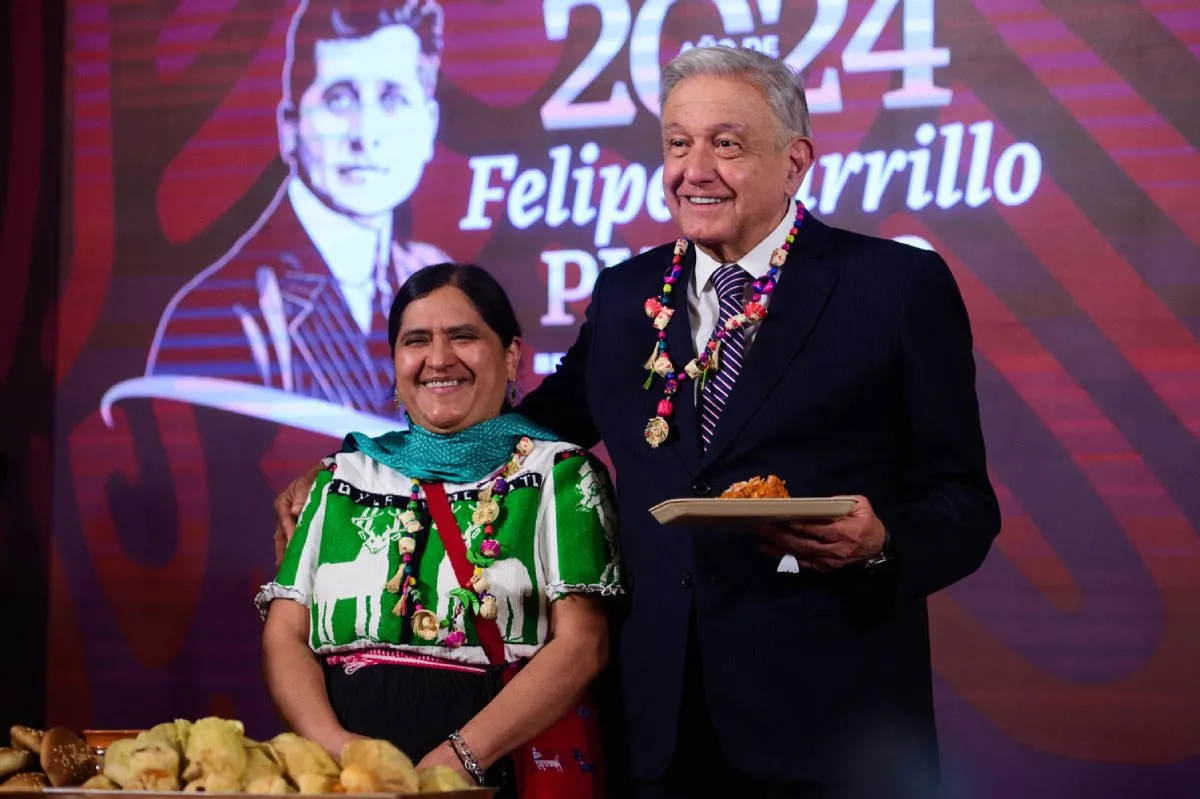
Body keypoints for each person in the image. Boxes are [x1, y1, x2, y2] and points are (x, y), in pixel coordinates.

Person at [274, 46, 1000, 798]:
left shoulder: (893, 287)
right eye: (678, 144)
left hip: (837, 727)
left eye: (726, 144)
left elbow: (963, 504)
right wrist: (360, 468)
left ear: (795, 162)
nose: (694, 170)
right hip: (659, 726)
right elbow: (529, 427)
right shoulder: (627, 294)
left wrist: (881, 546)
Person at [257, 263, 621, 795]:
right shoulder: (340, 477)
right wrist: (343, 754)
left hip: (496, 769)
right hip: (350, 780)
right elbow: (285, 636)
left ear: (511, 355)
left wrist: (458, 761)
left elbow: (584, 644)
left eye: (463, 336)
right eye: (416, 340)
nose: (439, 358)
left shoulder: (560, 474)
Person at [146, 0, 450, 416]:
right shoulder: (219, 318)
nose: (366, 134)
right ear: (289, 128)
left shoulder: (438, 280)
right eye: (340, 99)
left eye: (393, 99)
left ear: (429, 126)